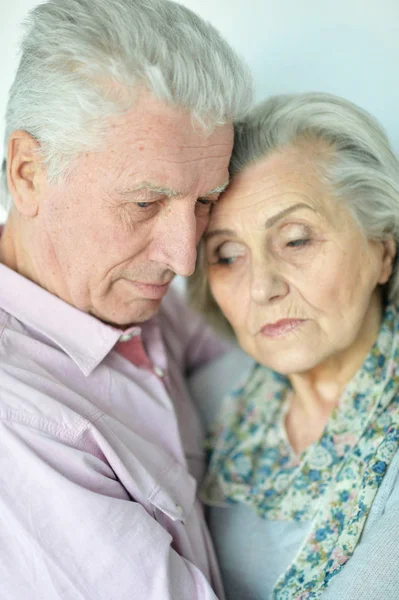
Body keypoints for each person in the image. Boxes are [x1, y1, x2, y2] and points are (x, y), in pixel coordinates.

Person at [0, 0, 252, 598]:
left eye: (205, 201)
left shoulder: (124, 292)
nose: (185, 258)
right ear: (29, 172)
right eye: (144, 204)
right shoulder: (18, 422)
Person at [188, 92, 399, 599]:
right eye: (228, 255)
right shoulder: (201, 400)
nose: (262, 287)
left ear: (383, 249)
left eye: (297, 239)